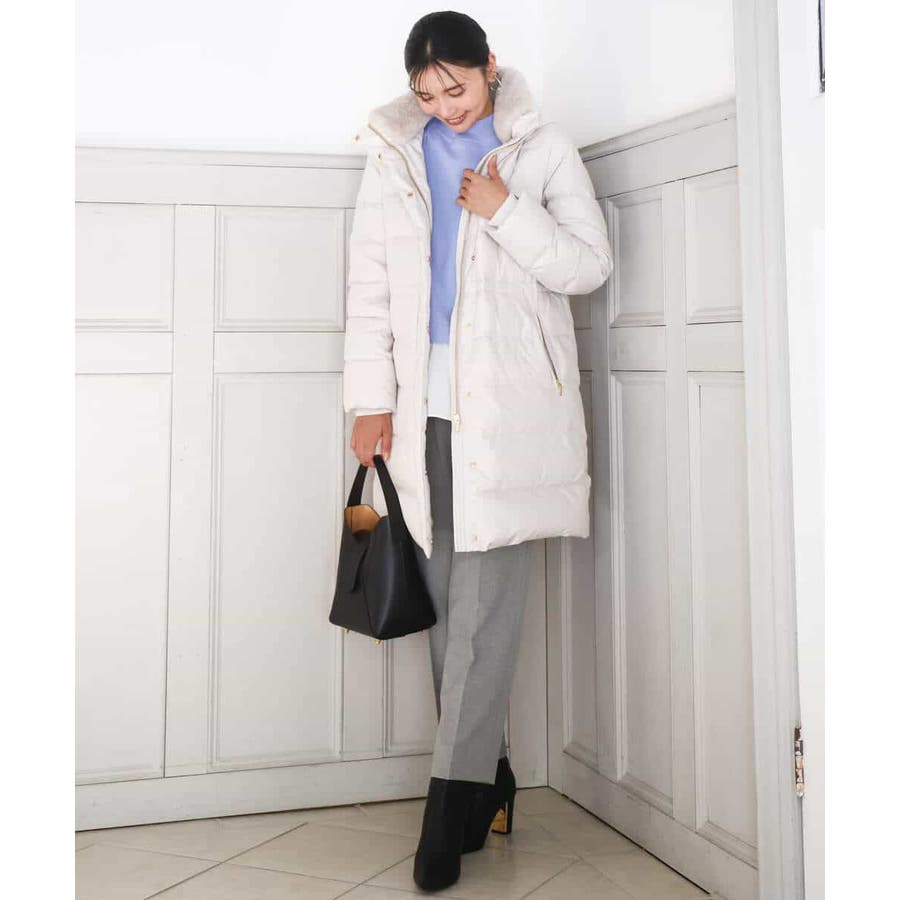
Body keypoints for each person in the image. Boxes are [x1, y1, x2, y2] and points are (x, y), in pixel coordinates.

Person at [343, 11, 613, 892]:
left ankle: (448, 803)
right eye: (427, 94)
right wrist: (369, 402)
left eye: (455, 87)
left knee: (486, 609)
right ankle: (483, 774)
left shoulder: (543, 150)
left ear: (490, 67)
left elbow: (587, 266)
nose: (444, 107)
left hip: (510, 409)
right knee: (446, 604)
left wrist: (505, 212)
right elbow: (370, 287)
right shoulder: (394, 154)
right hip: (420, 408)